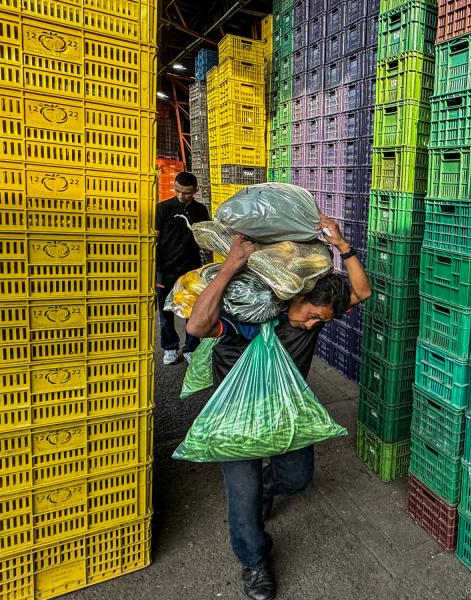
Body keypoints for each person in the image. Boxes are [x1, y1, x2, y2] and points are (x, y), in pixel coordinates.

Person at [186, 215, 371, 600]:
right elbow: (197, 328)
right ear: (298, 297)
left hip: (287, 414)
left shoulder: (316, 318)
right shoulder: (251, 319)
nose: (312, 326)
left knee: (297, 479)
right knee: (242, 497)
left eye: (321, 321)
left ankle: (266, 489)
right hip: (235, 419)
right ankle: (253, 563)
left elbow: (361, 293)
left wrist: (342, 246)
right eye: (312, 316)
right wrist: (231, 267)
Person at [156, 171, 209, 365]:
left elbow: (206, 239)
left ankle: (191, 348)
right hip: (165, 268)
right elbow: (154, 237)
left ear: (195, 190)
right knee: (165, 312)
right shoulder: (163, 208)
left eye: (186, 193)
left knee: (192, 310)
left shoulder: (201, 210)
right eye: (177, 191)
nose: (181, 196)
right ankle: (170, 347)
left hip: (191, 269)